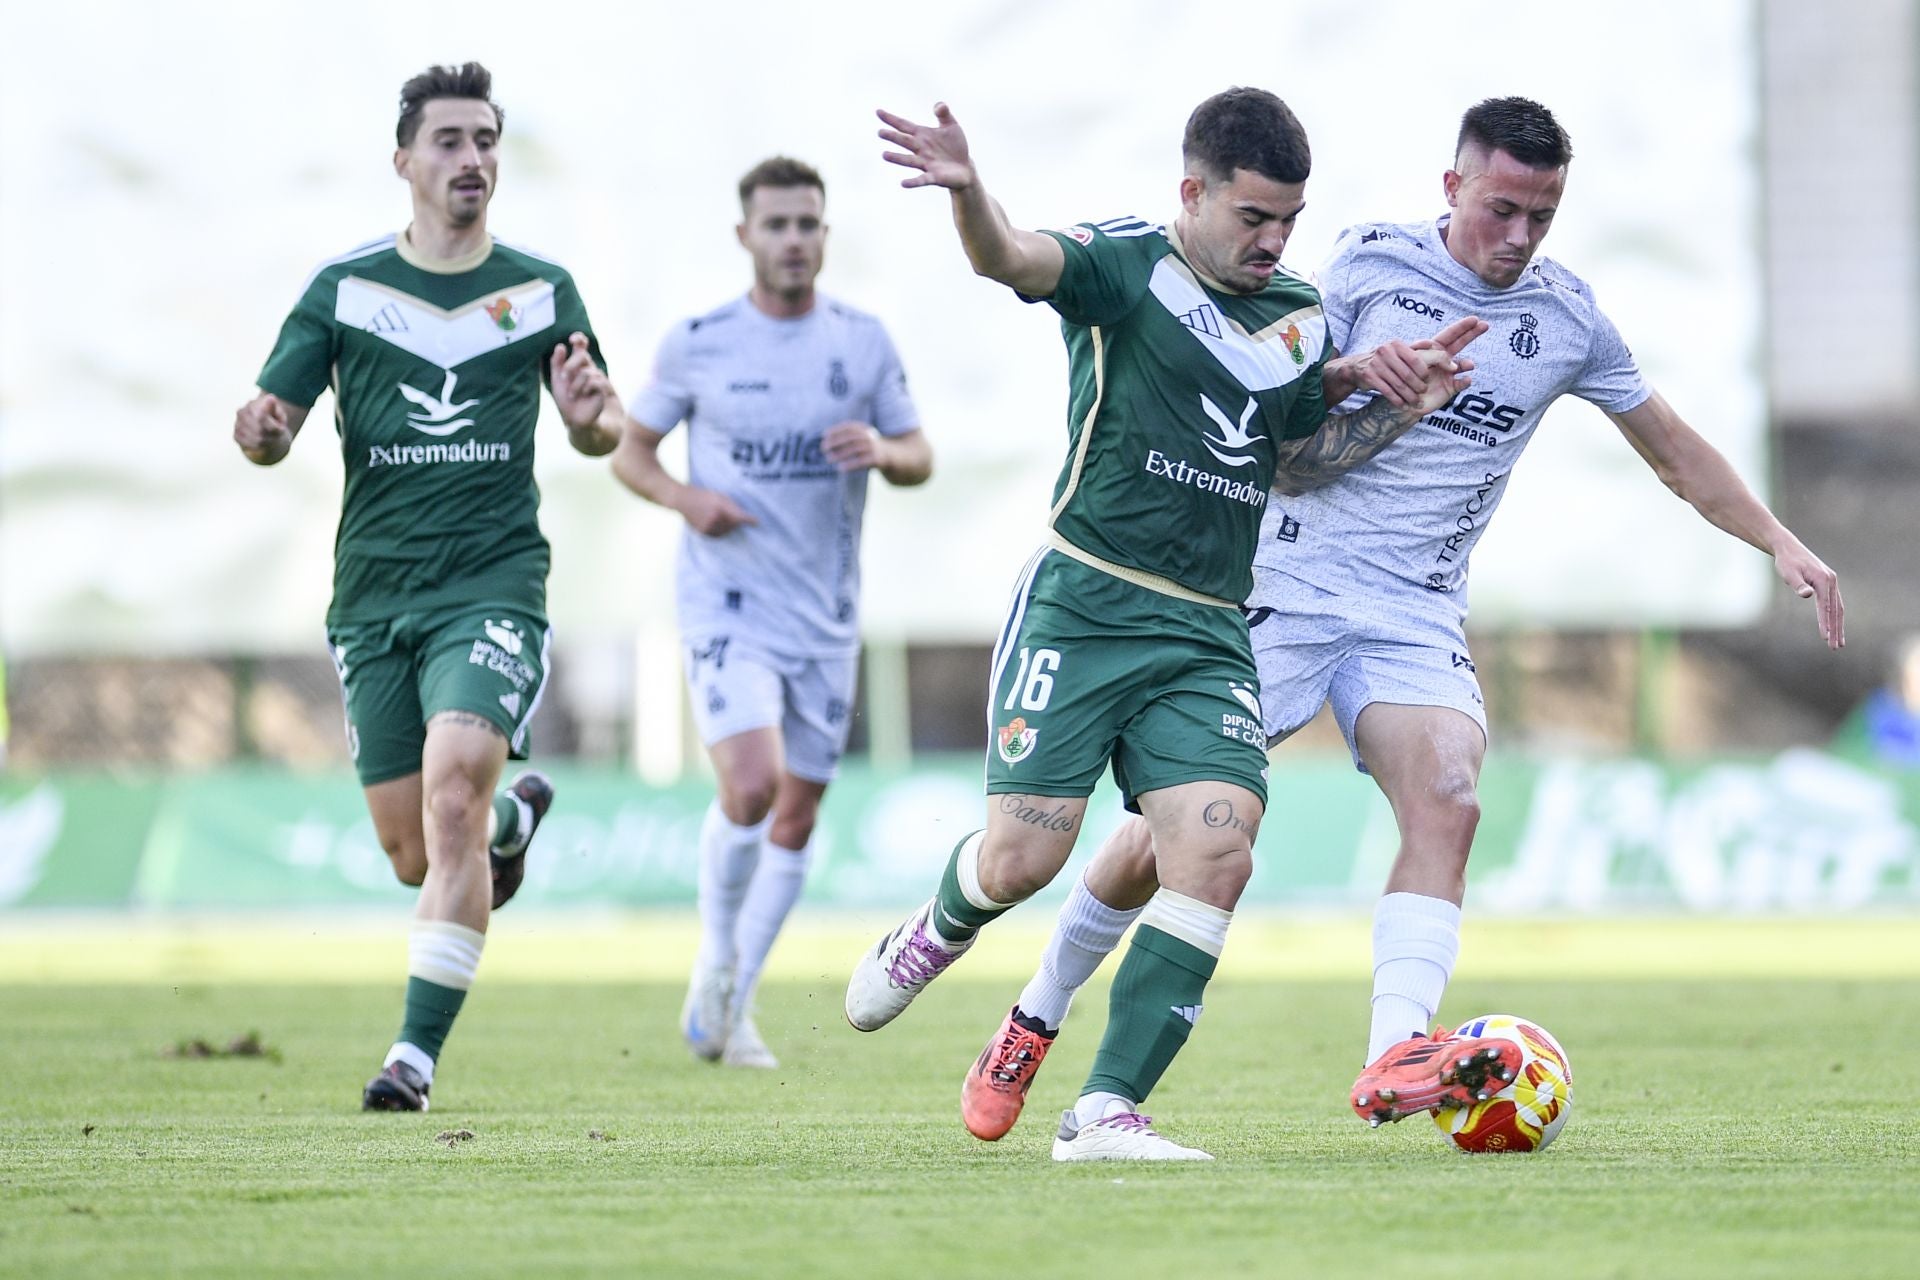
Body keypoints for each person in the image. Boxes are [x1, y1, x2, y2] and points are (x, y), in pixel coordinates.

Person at [978, 95, 1846, 1140]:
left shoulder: (1567, 319)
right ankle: (1038, 1009)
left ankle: (1396, 1052)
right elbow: (1281, 450)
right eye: (1501, 209)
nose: (1519, 236)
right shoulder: (1364, 268)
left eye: (1542, 215)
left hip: (1413, 610)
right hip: (1286, 582)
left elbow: (1672, 449)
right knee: (1159, 843)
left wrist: (1780, 541)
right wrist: (1383, 396)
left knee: (1449, 797)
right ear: (1453, 186)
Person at [843, 89, 1484, 1162]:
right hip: (1086, 602)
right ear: (1193, 192)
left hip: (1206, 630)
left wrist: (1390, 404)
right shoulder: (1127, 264)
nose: (1274, 240)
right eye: (1253, 217)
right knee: (1022, 859)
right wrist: (967, 191)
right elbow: (1010, 255)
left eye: (1289, 219)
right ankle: (938, 927)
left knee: (1218, 848)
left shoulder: (1298, 313)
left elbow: (1294, 458)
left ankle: (1104, 1110)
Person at [232, 62, 623, 1112]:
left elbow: (599, 426)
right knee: (417, 851)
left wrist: (593, 415)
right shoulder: (345, 291)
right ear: (403, 161)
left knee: (454, 792)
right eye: (449, 140)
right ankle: (507, 835)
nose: (472, 158)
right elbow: (272, 424)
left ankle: (411, 1059)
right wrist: (261, 431)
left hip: (493, 587)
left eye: (486, 140)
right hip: (372, 600)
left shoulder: (540, 291)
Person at [611, 157, 931, 1070]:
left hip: (824, 615)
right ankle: (717, 960)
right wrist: (687, 499)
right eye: (777, 224)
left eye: (807, 223)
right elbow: (630, 453)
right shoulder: (700, 343)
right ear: (745, 235)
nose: (794, 239)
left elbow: (919, 454)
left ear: (825, 234)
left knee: (797, 815)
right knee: (752, 787)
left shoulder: (862, 343)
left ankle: (733, 1004)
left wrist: (883, 451)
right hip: (729, 602)